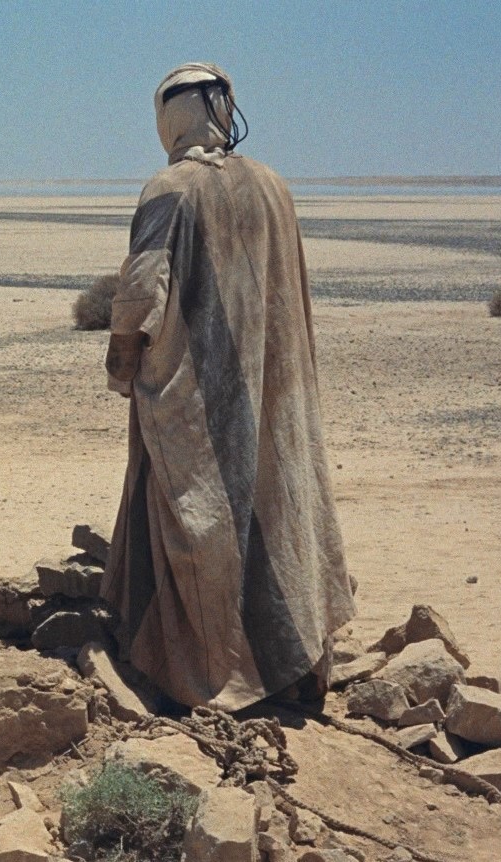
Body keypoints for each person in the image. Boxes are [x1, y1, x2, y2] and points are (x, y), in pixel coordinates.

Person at [99, 64, 355, 711]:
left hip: (198, 400)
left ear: (170, 118)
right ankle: (295, 662)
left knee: (201, 524)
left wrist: (122, 366)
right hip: (277, 391)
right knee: (281, 510)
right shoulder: (274, 186)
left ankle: (211, 674)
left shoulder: (169, 188)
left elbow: (140, 292)